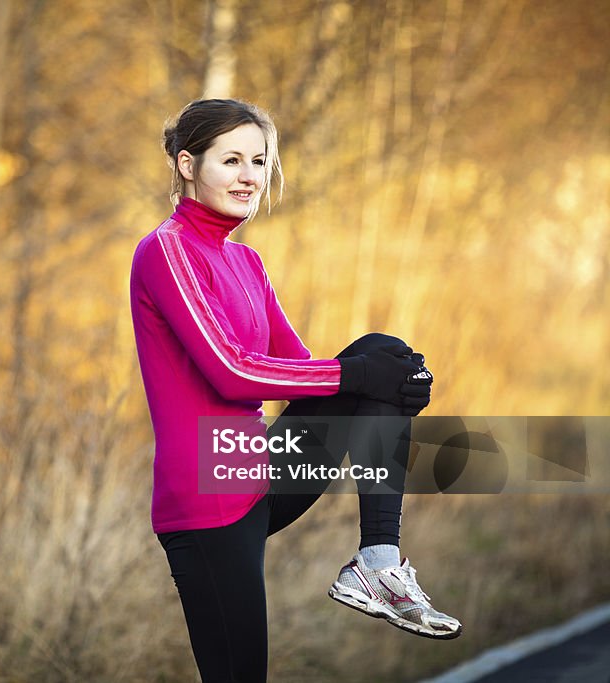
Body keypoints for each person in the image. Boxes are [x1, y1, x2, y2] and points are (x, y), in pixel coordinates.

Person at [129, 99, 461, 682]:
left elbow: (304, 372)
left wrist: (391, 391)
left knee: (381, 352)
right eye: (230, 160)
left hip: (260, 473)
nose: (249, 176)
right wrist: (359, 380)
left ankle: (378, 564)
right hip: (207, 495)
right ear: (187, 164)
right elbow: (233, 373)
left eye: (258, 161)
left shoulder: (247, 262)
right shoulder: (168, 250)